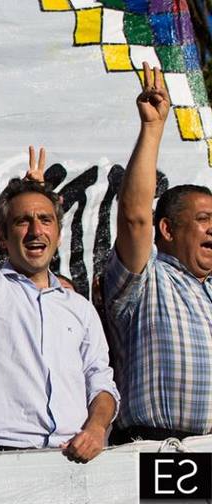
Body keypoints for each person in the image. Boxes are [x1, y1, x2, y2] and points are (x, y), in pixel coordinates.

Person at [0, 76, 118, 462]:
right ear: (2, 236)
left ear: (58, 231)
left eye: (45, 220)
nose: (36, 230)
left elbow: (101, 382)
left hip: (72, 460)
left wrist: (97, 428)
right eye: (23, 222)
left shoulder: (79, 308)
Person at [104, 63, 212, 442]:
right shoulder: (147, 278)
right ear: (166, 229)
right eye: (203, 219)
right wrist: (153, 128)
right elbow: (134, 217)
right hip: (162, 448)